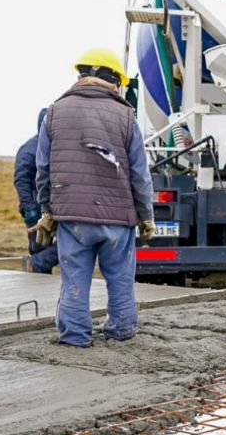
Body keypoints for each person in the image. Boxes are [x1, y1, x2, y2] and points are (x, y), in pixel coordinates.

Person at [32, 48, 155, 348]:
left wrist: (47, 210)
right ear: (113, 79)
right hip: (118, 218)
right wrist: (146, 215)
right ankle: (122, 332)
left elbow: (43, 169)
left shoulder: (54, 112)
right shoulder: (126, 116)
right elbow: (140, 173)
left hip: (73, 218)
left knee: (74, 280)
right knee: (121, 280)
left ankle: (75, 337)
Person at [14, 108, 58, 274]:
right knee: (40, 245)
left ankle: (38, 266)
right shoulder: (29, 149)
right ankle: (37, 270)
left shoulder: (53, 146)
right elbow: (21, 180)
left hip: (52, 206)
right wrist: (29, 208)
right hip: (36, 207)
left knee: (64, 243)